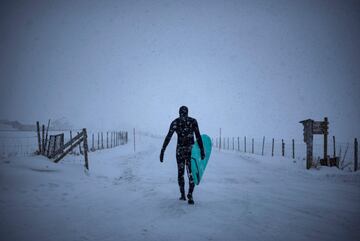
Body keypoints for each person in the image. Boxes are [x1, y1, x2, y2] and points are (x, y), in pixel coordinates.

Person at [160, 106, 205, 205]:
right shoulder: (193, 121)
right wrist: (202, 150)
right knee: (191, 172)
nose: (183, 115)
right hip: (190, 151)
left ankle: (183, 194)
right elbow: (198, 136)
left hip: (180, 151)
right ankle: (190, 195)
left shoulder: (176, 122)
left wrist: (163, 150)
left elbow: (168, 137)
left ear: (179, 113)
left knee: (181, 173)